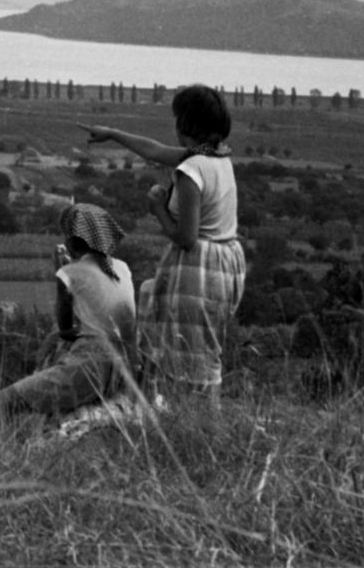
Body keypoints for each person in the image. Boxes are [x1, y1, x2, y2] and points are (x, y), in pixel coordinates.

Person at [79, 84, 245, 411]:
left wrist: (157, 208)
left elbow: (186, 237)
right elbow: (154, 151)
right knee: (203, 353)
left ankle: (196, 432)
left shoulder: (191, 170)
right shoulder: (218, 159)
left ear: (187, 123)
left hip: (199, 268)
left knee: (187, 359)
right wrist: (111, 133)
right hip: (227, 263)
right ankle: (199, 431)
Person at [0, 204, 139, 424]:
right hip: (120, 367)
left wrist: (61, 272)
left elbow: (66, 329)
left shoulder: (69, 272)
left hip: (89, 365)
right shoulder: (123, 268)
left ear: (73, 243)